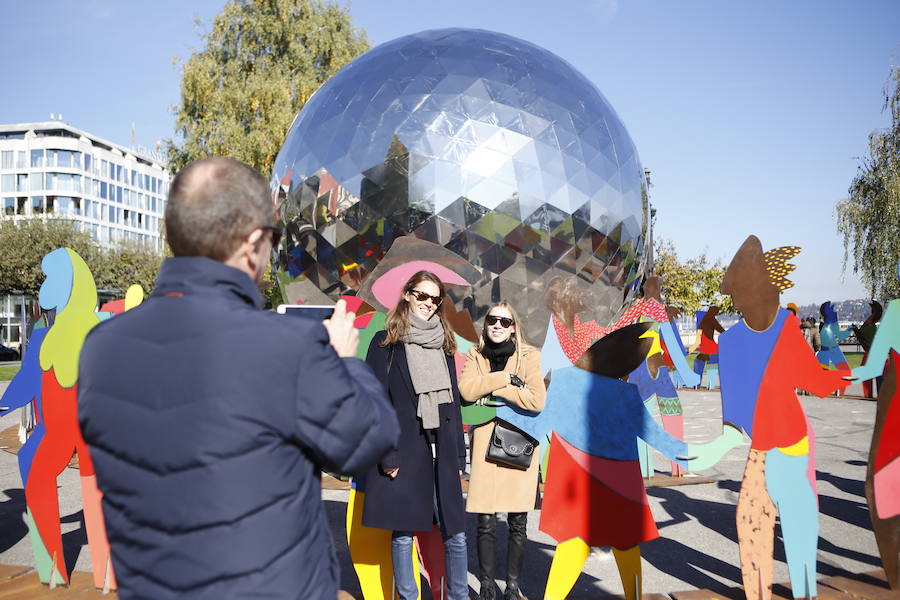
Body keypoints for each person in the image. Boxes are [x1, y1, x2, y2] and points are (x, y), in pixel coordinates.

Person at [77, 157, 400, 600]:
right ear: (252, 244)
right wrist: (344, 360)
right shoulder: (287, 347)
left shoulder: (100, 349)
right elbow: (369, 437)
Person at [360, 270, 468, 600]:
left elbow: (453, 405)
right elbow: (374, 405)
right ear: (407, 295)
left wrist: (460, 455)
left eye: (435, 299)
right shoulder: (384, 346)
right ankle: (408, 596)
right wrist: (387, 455)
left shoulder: (446, 346)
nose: (428, 304)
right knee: (404, 533)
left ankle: (458, 596)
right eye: (421, 295)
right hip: (405, 452)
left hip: (443, 452)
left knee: (456, 535)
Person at [458, 302, 546, 600]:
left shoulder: (529, 355)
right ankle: (486, 586)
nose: (497, 325)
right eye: (492, 320)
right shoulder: (475, 353)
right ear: (485, 325)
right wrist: (506, 380)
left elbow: (536, 400)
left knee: (517, 523)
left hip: (518, 445)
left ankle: (511, 587)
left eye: (504, 322)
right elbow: (467, 390)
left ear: (513, 327)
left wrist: (493, 391)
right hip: (484, 447)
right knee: (484, 522)